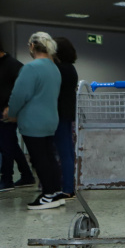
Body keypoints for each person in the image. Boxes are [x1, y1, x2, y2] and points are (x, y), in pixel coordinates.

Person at [4, 32, 64, 210]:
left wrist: (11, 112)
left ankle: (47, 195)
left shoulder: (31, 68)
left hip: (33, 121)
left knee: (39, 159)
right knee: (49, 157)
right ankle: (55, 192)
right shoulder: (54, 68)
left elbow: (19, 95)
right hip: (50, 119)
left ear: (31, 46)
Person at [0, 36, 35, 192]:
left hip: (8, 112)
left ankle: (7, 179)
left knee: (5, 145)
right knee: (10, 143)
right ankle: (27, 176)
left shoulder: (13, 65)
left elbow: (20, 89)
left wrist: (11, 107)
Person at [53, 37, 79, 199]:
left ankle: (68, 188)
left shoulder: (60, 69)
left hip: (60, 113)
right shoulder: (70, 68)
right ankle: (70, 185)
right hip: (68, 112)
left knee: (64, 152)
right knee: (68, 151)